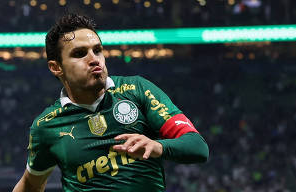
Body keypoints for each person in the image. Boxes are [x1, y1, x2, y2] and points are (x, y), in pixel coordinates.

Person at [13, 13, 209, 192]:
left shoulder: (137, 89)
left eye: (97, 50)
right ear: (56, 67)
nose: (94, 59)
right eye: (80, 53)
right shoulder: (46, 126)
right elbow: (31, 184)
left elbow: (197, 147)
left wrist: (158, 147)